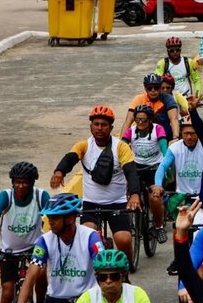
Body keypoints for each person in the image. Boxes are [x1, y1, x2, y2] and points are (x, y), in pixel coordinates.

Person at [51, 105, 141, 262]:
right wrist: (60, 171)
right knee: (87, 238)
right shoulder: (83, 146)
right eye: (96, 124)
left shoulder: (121, 147)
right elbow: (71, 157)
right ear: (91, 126)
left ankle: (124, 274)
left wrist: (134, 194)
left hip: (116, 203)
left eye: (104, 125)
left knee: (124, 240)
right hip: (91, 204)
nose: (100, 128)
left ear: (111, 127)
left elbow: (131, 171)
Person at [13, 194, 105, 303]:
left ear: (71, 218)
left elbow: (103, 267)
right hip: (57, 301)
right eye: (49, 217)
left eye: (55, 217)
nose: (50, 222)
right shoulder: (44, 240)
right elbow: (31, 274)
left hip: (87, 299)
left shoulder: (90, 237)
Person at [0, 162, 50, 303]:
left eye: (25, 182)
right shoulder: (6, 196)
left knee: (42, 274)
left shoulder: (41, 196)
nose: (21, 186)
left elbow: (54, 218)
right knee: (7, 292)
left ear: (32, 182)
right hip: (9, 251)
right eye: (17, 182)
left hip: (34, 248)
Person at [121, 105, 169, 243]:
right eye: (137, 120)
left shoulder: (158, 129)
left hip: (155, 168)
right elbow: (121, 148)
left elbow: (165, 150)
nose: (140, 123)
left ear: (150, 120)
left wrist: (167, 168)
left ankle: (159, 226)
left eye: (144, 120)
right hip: (137, 168)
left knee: (154, 198)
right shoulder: (131, 131)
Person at [69, 250, 155, 303]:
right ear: (97, 278)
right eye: (102, 277)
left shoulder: (137, 294)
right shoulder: (88, 297)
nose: (108, 281)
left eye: (114, 276)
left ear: (124, 276)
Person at [121, 74, 181, 143]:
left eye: (156, 88)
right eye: (150, 88)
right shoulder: (139, 99)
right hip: (143, 138)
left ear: (160, 87)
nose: (153, 90)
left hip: (165, 137)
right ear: (145, 88)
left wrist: (175, 138)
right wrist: (121, 143)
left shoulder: (168, 99)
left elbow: (174, 119)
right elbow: (128, 121)